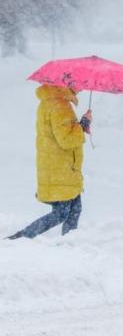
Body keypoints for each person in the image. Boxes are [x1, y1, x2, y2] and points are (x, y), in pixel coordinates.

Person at [7, 85, 91, 239]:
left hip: (57, 165)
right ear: (67, 84)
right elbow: (66, 140)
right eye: (79, 84)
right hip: (61, 168)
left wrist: (79, 126)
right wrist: (83, 125)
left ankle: (69, 243)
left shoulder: (49, 101)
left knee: (74, 209)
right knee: (62, 213)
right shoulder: (61, 106)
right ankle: (23, 236)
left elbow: (62, 133)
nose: (82, 88)